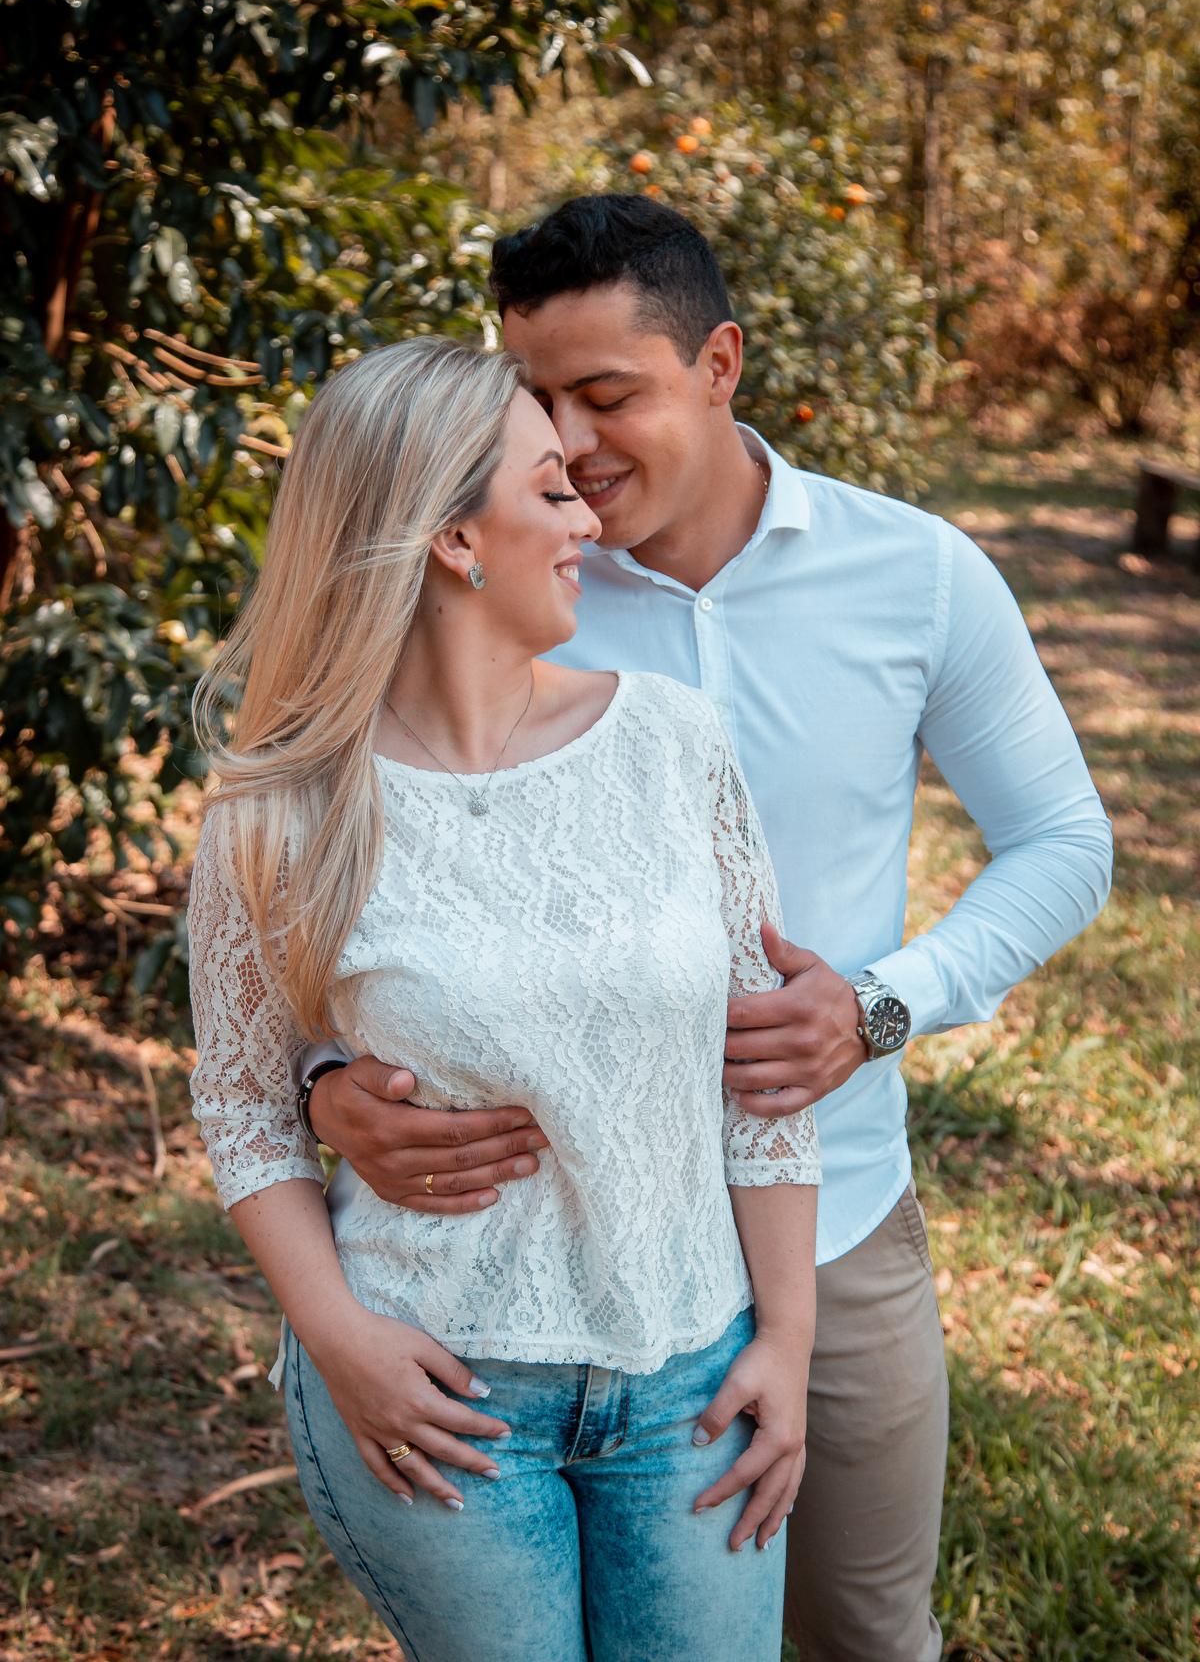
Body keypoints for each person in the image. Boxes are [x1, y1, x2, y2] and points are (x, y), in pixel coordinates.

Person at [299, 196, 1114, 1660]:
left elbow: (1063, 843)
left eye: (607, 394)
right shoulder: (501, 575)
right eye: (537, 400)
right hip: (551, 1256)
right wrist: (322, 1086)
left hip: (832, 1212)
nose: (571, 445)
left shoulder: (918, 574)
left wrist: (879, 1004)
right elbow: (334, 876)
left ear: (720, 363)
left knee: (865, 1633)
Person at [187, 336, 823, 1662]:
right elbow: (245, 1106)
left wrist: (788, 1340)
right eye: (551, 490)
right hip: (433, 1388)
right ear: (452, 539)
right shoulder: (280, 809)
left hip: (693, 1383)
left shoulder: (674, 742)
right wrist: (338, 1339)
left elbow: (759, 1074)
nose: (589, 518)